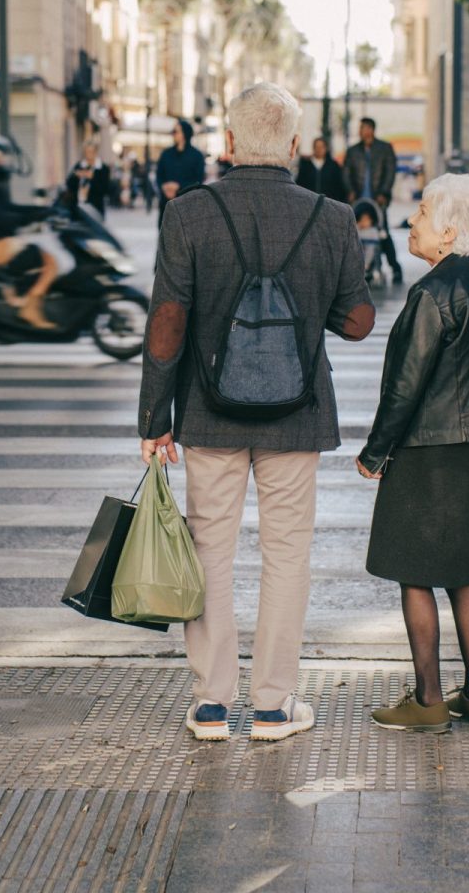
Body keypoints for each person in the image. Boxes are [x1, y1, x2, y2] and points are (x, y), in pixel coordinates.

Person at [139, 82, 375, 743]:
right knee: (287, 553)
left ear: (231, 141)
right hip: (294, 413)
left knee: (209, 549)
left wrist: (154, 417)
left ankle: (212, 704)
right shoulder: (330, 217)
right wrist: (312, 301)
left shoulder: (189, 213)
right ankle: (273, 705)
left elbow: (167, 322)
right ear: (295, 146)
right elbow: (358, 322)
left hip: (209, 416)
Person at [356, 174, 469, 733]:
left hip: (428, 449)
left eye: (423, 212)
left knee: (414, 570)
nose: (412, 221)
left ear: (449, 231)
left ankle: (428, 699)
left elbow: (405, 385)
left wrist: (376, 452)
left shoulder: (431, 293)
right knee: (460, 569)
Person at [0, 135, 62, 329]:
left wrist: (40, 211)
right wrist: (29, 217)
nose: (3, 162)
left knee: (43, 257)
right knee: (49, 262)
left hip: (1, 241)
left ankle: (19, 299)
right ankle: (28, 308)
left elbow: (8, 209)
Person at [344, 118, 404, 285]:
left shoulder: (384, 148)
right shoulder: (353, 151)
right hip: (358, 202)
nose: (362, 131)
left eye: (365, 128)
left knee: (383, 234)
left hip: (378, 201)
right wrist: (350, 191)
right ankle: (363, 269)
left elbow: (390, 172)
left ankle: (395, 268)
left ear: (371, 129)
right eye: (360, 128)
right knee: (357, 235)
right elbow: (346, 173)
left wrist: (384, 192)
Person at [154, 119, 206, 227]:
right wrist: (164, 187)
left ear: (184, 133)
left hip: (188, 207)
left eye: (176, 131)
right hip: (166, 205)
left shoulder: (197, 156)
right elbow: (159, 175)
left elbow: (198, 180)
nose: (173, 134)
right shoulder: (166, 154)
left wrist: (178, 187)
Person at [65, 142, 113, 218]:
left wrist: (93, 178)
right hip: (78, 206)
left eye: (91, 152)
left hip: (95, 207)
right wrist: (76, 176)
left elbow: (105, 189)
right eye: (86, 152)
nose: (88, 154)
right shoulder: (79, 165)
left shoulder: (103, 168)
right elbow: (69, 184)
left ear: (96, 152)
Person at [296, 136, 347, 201]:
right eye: (316, 147)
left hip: (328, 202)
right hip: (309, 201)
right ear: (313, 148)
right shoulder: (306, 165)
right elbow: (300, 184)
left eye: (321, 147)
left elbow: (338, 186)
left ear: (325, 148)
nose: (319, 149)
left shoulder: (333, 165)